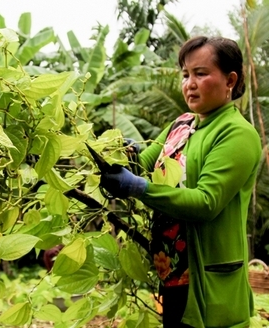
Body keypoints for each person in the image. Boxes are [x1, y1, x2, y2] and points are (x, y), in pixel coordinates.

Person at [100, 36, 261, 327]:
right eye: (186, 74)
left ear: (230, 80)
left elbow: (205, 203)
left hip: (206, 279)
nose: (189, 83)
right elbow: (146, 162)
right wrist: (122, 153)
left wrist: (139, 187)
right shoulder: (182, 123)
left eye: (201, 73)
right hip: (172, 271)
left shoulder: (237, 134)